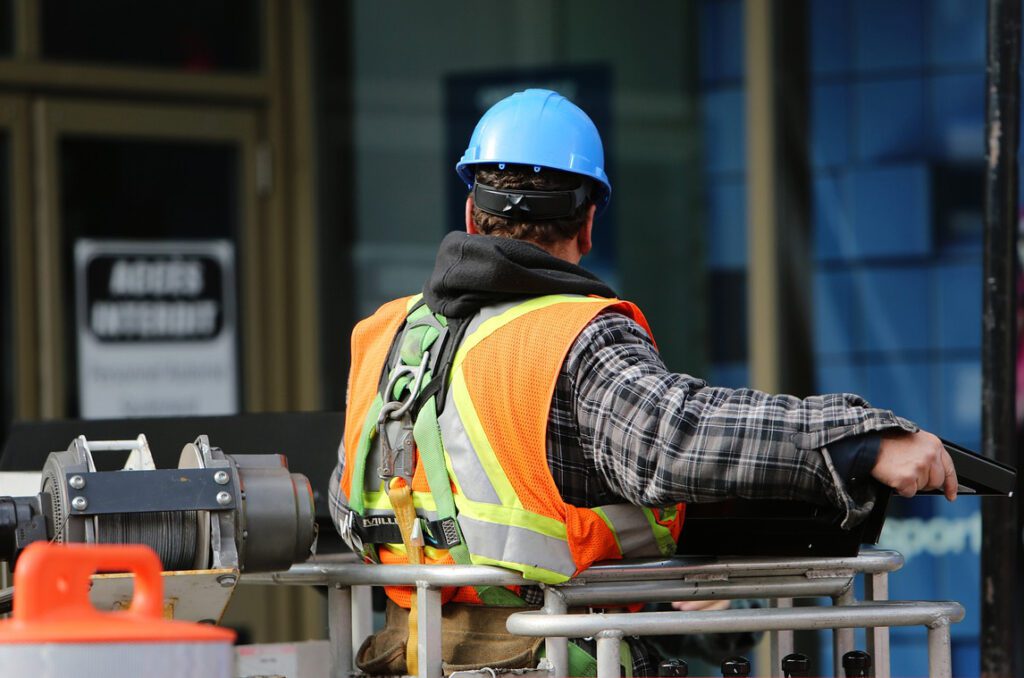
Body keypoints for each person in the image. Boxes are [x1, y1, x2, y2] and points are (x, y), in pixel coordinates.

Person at [328, 88, 958, 676]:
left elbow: (348, 498)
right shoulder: (572, 336)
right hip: (545, 656)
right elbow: (674, 438)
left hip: (411, 655)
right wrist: (862, 440)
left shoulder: (385, 336)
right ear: (589, 223)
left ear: (470, 210)